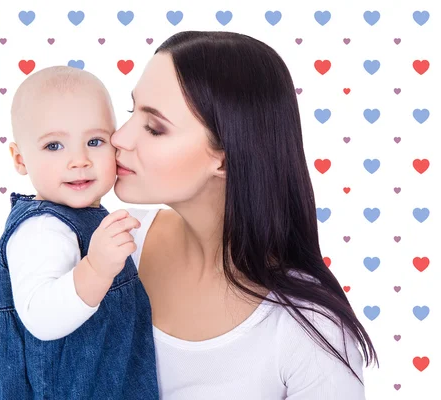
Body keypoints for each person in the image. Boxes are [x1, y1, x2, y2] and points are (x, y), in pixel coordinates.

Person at [109, 31, 379, 399]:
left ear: (224, 157)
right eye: (131, 111)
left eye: (154, 128)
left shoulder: (308, 325)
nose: (119, 138)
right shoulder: (114, 243)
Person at [0, 66, 159, 399]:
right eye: (54, 146)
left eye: (94, 141)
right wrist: (96, 269)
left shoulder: (88, 217)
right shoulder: (41, 229)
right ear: (20, 159)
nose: (78, 160)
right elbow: (43, 317)